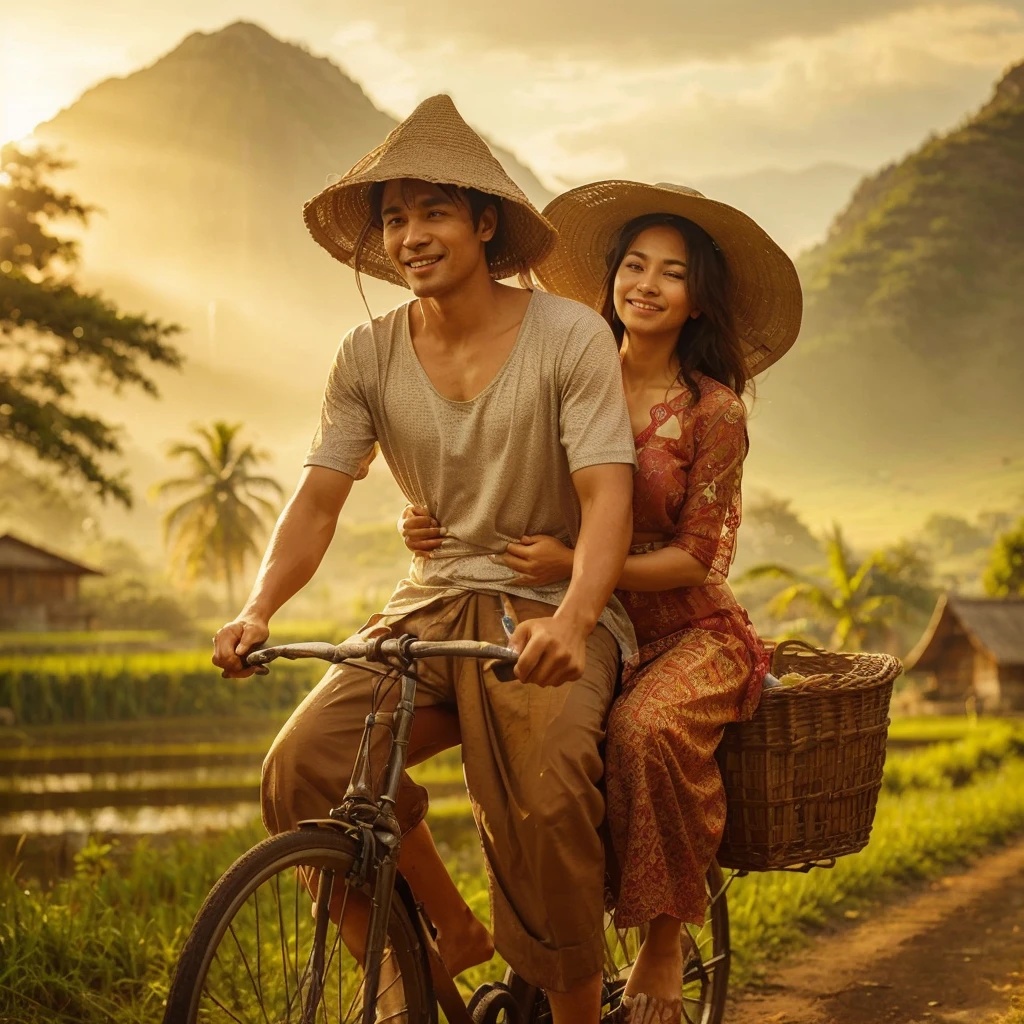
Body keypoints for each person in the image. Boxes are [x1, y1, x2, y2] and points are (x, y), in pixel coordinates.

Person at [212, 96, 640, 1024]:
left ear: (485, 224)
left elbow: (610, 495)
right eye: (394, 218)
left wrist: (571, 619)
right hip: (429, 605)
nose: (410, 236)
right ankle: (434, 957)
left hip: (546, 613)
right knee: (303, 772)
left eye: (433, 213)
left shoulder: (569, 336)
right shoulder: (365, 354)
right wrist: (259, 610)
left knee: (549, 792)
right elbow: (320, 495)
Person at [402, 180, 802, 1022]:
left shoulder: (713, 412)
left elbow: (697, 559)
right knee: (508, 754)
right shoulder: (559, 369)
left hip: (685, 632)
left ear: (699, 302)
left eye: (672, 273)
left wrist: (584, 561)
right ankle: (486, 935)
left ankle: (662, 941)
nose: (646, 285)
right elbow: (487, 473)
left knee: (644, 731)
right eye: (633, 266)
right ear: (610, 279)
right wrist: (428, 520)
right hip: (562, 613)